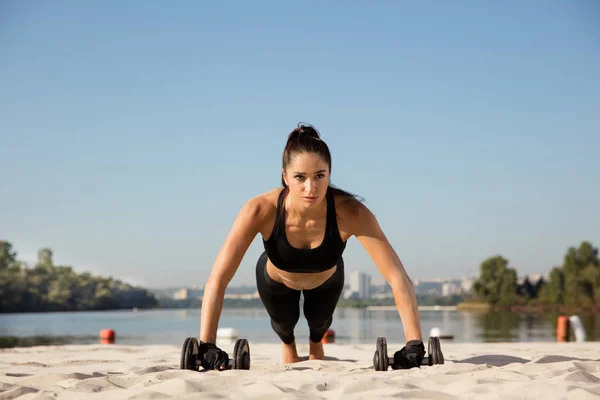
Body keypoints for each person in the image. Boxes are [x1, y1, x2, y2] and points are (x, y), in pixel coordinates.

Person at [197, 123, 424, 370]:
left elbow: (397, 276)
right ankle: (289, 345)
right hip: (276, 281)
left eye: (319, 176)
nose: (311, 188)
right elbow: (218, 278)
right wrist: (207, 344)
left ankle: (317, 344)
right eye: (300, 177)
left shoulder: (351, 213)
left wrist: (414, 343)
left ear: (329, 173)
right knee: (284, 326)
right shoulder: (260, 210)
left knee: (320, 325)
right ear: (285, 176)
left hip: (327, 280)